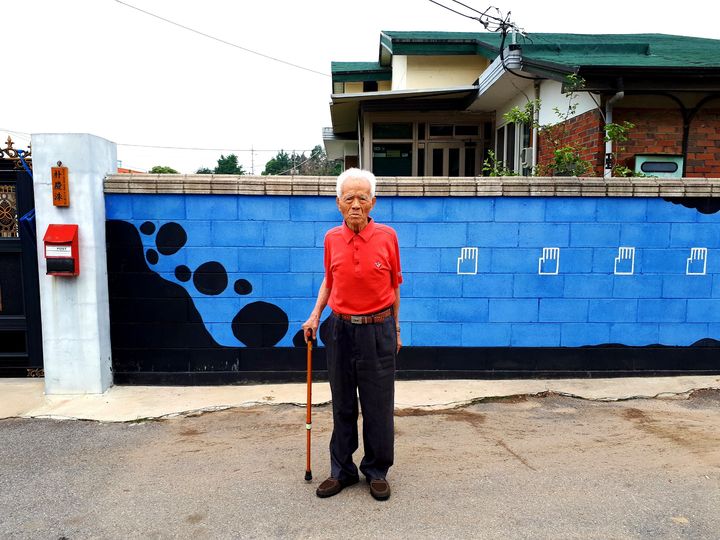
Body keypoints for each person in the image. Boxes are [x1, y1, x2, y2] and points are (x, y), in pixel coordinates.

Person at [302, 168, 402, 501]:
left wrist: (397, 328)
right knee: (343, 403)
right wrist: (315, 315)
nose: (356, 204)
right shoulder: (331, 239)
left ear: (373, 201)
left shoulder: (388, 236)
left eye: (362, 198)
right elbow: (329, 282)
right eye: (349, 198)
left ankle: (375, 470)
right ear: (338, 203)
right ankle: (341, 470)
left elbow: (394, 286)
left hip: (379, 329)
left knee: (378, 405)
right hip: (341, 329)